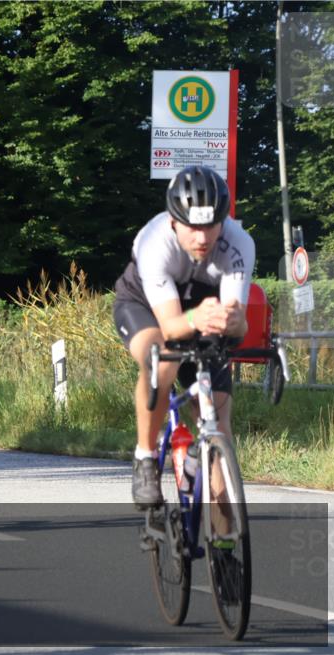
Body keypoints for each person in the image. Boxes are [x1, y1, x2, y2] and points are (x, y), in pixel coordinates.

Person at [112, 166, 255, 509]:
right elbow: (173, 326)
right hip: (146, 307)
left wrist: (234, 321)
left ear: (224, 221)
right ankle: (145, 458)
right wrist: (196, 317)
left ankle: (224, 541)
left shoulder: (240, 244)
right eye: (193, 228)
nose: (202, 238)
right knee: (162, 360)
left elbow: (240, 328)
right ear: (174, 221)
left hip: (201, 310)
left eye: (211, 226)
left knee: (218, 420)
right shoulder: (154, 242)